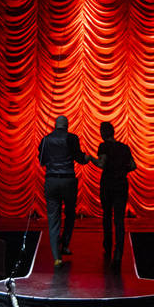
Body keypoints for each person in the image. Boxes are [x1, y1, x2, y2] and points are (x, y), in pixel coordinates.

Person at [37, 115, 89, 267]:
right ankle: (65, 244)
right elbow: (80, 158)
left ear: (55, 125)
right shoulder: (72, 138)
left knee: (53, 219)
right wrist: (89, 158)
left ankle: (56, 257)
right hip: (68, 181)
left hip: (51, 180)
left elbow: (41, 161)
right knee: (70, 213)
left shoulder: (46, 139)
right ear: (67, 126)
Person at [90, 121, 136, 272]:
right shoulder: (124, 147)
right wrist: (121, 171)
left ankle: (108, 246)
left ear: (104, 132)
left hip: (108, 185)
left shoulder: (104, 146)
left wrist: (91, 159)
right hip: (121, 184)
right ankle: (118, 255)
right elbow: (133, 166)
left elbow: (102, 164)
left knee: (107, 217)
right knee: (119, 220)